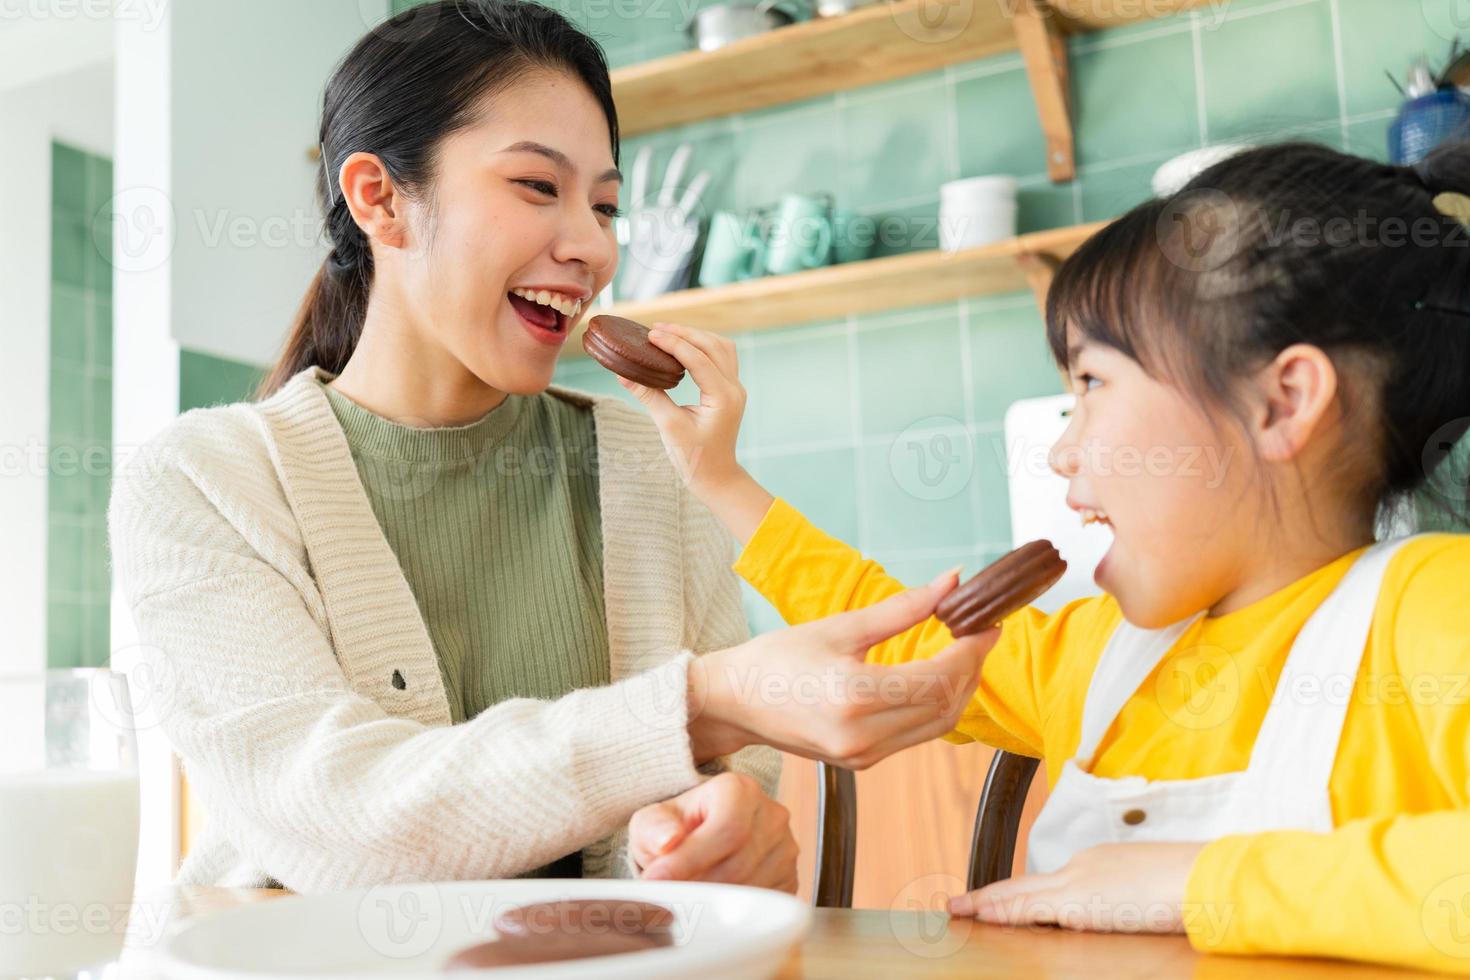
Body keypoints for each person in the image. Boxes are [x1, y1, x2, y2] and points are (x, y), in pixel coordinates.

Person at [107, 0, 987, 894]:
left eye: (605, 205)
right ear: (379, 197)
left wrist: (715, 833)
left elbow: (716, 792)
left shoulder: (651, 466)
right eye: (538, 186)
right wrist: (704, 702)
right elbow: (332, 819)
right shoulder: (201, 484)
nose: (594, 247)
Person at [625, 140, 1470, 972]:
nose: (1063, 453)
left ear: (1282, 402)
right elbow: (899, 633)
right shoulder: (1095, 655)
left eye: (1093, 386)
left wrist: (1194, 885)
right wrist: (723, 482)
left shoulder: (1432, 609)